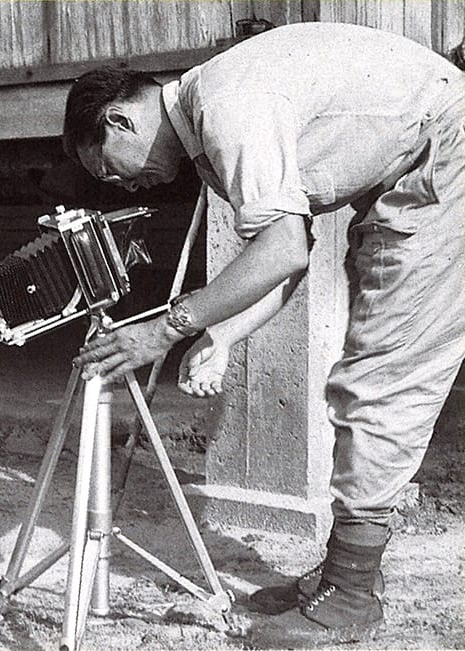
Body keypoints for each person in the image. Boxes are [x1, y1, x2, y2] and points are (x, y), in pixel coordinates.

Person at [64, 22, 464, 646]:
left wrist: (168, 328)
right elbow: (289, 253)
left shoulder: (226, 105)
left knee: (381, 378)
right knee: (368, 374)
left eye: (110, 172)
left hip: (444, 154)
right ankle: (346, 574)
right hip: (413, 166)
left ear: (119, 120)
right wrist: (221, 335)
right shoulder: (211, 119)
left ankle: (353, 594)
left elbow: (278, 251)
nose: (121, 185)